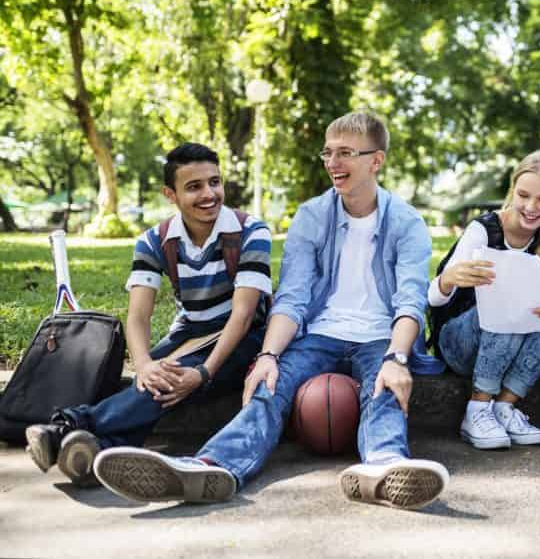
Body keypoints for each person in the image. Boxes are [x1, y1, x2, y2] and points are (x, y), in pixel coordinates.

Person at [92, 112, 450, 510]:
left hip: (381, 336)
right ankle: (212, 466)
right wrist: (268, 355)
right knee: (267, 385)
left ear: (375, 161)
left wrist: (397, 358)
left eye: (345, 153)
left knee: (383, 388)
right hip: (318, 333)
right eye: (328, 153)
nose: (333, 163)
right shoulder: (312, 215)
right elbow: (292, 298)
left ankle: (385, 468)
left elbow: (410, 300)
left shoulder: (407, 221)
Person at [25, 143, 272, 487]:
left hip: (244, 337)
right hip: (190, 334)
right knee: (154, 378)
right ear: (170, 194)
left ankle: (68, 427)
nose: (209, 194)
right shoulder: (154, 241)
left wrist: (202, 373)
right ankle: (100, 450)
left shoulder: (251, 231)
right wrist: (142, 364)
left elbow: (244, 314)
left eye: (214, 182)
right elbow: (138, 316)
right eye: (194, 186)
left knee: (167, 381)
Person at [428, 150, 540, 450]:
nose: (530, 207)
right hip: (460, 343)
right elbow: (433, 298)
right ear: (513, 191)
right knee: (510, 295)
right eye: (523, 195)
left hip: (509, 342)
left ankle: (504, 407)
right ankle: (477, 410)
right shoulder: (484, 229)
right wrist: (450, 279)